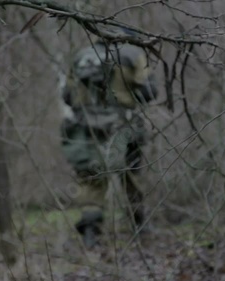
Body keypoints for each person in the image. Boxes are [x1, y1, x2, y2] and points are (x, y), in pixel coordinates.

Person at [59, 29, 158, 247]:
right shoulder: (132, 55)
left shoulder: (81, 56)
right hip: (123, 126)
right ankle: (139, 225)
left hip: (85, 128)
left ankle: (91, 233)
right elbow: (151, 91)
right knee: (130, 176)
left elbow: (67, 96)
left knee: (91, 180)